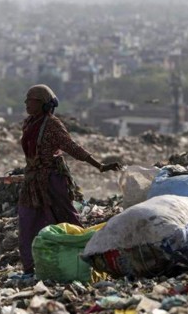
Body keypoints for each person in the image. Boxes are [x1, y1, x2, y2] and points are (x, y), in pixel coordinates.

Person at [18, 84, 122, 274]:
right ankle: (31, 267)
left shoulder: (52, 125)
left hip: (51, 180)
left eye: (30, 100)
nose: (26, 103)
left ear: (42, 103)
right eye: (26, 99)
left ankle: (91, 258)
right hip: (32, 182)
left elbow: (72, 147)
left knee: (67, 220)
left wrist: (99, 165)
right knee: (27, 221)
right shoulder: (29, 123)